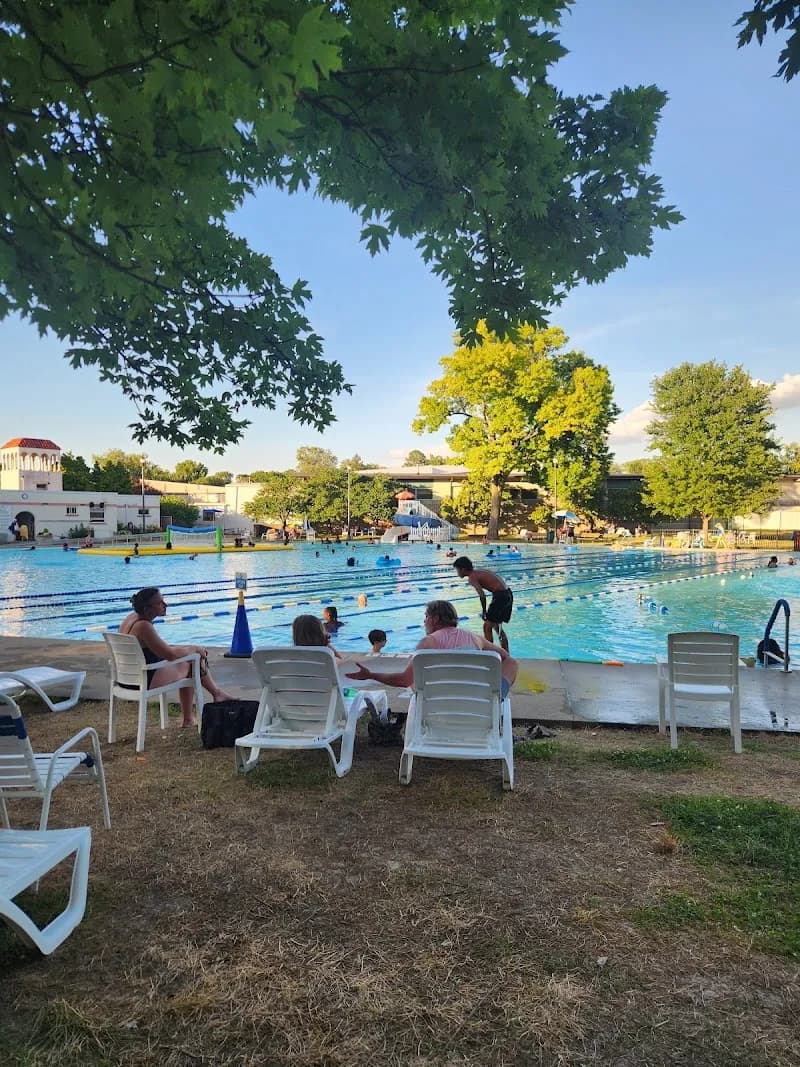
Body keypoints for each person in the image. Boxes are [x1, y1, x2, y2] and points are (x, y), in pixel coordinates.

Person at [347, 600, 517, 697]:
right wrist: (498, 692)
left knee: (416, 683)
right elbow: (508, 660)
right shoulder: (476, 638)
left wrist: (371, 675)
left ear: (435, 619)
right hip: (477, 704)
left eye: (426, 616)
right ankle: (497, 698)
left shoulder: (428, 643)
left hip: (436, 707)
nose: (424, 621)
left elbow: (404, 680)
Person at [119, 587, 232, 727]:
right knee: (194, 661)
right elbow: (170, 655)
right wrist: (194, 649)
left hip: (126, 678)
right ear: (147, 608)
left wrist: (188, 649)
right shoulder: (143, 626)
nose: (165, 605)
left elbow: (161, 650)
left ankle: (210, 700)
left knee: (191, 656)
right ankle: (203, 706)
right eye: (160, 603)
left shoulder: (131, 618)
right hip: (142, 680)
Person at [452, 556, 513, 651]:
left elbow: (482, 595)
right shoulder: (480, 572)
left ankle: (489, 654)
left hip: (500, 596)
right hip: (508, 594)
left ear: (463, 569)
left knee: (487, 626)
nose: (457, 573)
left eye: (457, 570)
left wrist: (484, 611)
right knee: (497, 627)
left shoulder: (472, 577)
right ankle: (506, 653)